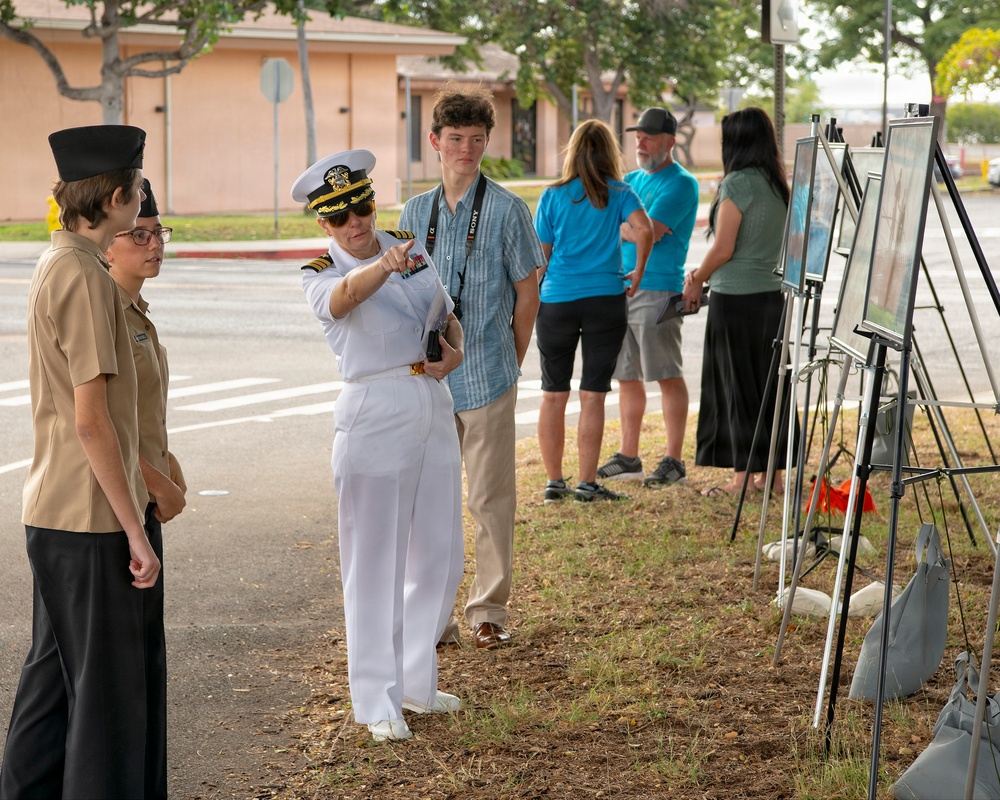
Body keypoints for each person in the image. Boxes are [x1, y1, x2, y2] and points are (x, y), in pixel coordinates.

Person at [1, 125, 161, 798]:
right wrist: (134, 531)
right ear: (120, 197)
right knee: (106, 705)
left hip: (57, 511)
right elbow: (91, 419)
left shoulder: (57, 261)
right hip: (92, 518)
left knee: (54, 686)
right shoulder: (85, 277)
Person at [292, 150, 466, 742]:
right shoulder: (320, 271)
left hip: (429, 397)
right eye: (341, 216)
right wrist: (383, 267)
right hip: (373, 408)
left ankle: (416, 681)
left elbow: (443, 310)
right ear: (323, 224)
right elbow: (342, 301)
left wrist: (456, 348)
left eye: (362, 206)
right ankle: (374, 699)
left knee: (440, 553)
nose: (357, 222)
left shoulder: (406, 243)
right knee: (374, 562)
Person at [399, 84, 543, 651]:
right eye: (455, 138)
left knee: (490, 498)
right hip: (430, 381)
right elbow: (408, 290)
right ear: (434, 141)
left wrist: (513, 356)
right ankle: (434, 615)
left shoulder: (508, 209)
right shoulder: (415, 211)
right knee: (429, 501)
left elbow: (528, 293)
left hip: (487, 373)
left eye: (476, 139)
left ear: (488, 142)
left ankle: (489, 609)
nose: (466, 149)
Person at [104, 179, 186, 798]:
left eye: (159, 233)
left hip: (145, 493)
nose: (155, 244)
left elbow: (144, 414)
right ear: (108, 244)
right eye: (141, 234)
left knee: (140, 663)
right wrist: (160, 486)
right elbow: (104, 423)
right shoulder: (105, 308)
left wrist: (171, 467)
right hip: (115, 507)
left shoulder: (135, 309)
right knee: (117, 671)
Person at [533, 119, 653, 503]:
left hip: (556, 300)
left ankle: (555, 483)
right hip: (605, 299)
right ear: (610, 153)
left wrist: (535, 297)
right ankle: (587, 483)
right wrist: (638, 274)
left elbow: (541, 258)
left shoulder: (552, 195)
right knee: (593, 394)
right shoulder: (619, 191)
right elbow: (645, 230)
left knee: (553, 393)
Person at [681, 107, 792, 497]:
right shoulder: (777, 184)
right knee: (768, 388)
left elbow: (724, 247)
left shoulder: (737, 184)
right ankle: (773, 478)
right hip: (771, 298)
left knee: (736, 387)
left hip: (736, 300)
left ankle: (742, 480)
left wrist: (696, 278)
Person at [597, 107, 700, 488]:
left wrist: (628, 227)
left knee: (666, 373)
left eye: (649, 137)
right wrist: (628, 228)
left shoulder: (681, 184)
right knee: (626, 375)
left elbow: (648, 233)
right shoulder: (630, 180)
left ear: (669, 142)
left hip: (658, 288)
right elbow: (613, 226)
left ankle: (673, 459)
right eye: (637, 136)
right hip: (619, 286)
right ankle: (628, 456)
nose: (640, 143)